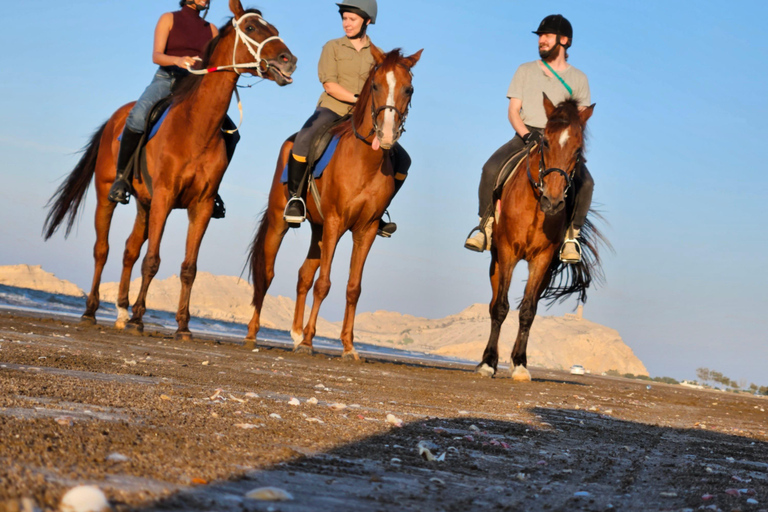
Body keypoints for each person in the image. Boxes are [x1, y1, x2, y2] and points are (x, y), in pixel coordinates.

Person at [464, 14, 594, 263]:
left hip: (559, 143)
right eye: (540, 37)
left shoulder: (579, 79)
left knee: (586, 184)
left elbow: (579, 122)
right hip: (526, 134)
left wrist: (562, 141)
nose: (541, 40)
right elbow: (513, 111)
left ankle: (571, 238)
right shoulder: (525, 70)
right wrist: (527, 135)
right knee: (490, 168)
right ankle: (486, 226)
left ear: (564, 40)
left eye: (547, 36)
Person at [283, 0, 410, 238]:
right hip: (332, 109)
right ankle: (296, 198)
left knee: (403, 159)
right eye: (344, 18)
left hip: (364, 119)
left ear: (367, 21)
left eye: (352, 19)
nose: (346, 23)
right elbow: (330, 85)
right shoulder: (332, 47)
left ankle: (377, 211)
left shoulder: (379, 56)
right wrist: (357, 98)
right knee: (304, 138)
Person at [108, 0, 229, 219]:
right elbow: (157, 56)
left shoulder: (211, 29)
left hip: (196, 86)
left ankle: (212, 190)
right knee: (137, 116)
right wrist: (179, 60)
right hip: (168, 79)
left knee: (230, 131)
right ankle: (122, 178)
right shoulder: (168, 18)